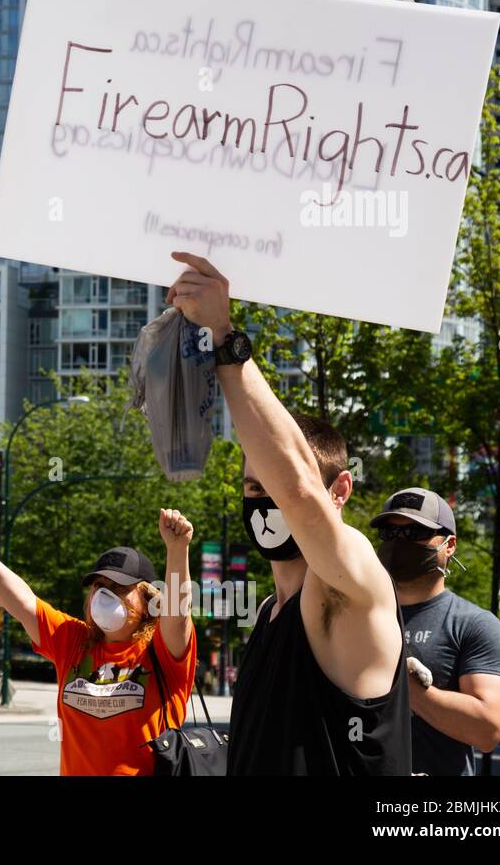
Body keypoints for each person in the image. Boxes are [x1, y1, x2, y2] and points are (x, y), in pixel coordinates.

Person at [167, 251, 411, 775]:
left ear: (340, 490)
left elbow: (299, 491)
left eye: (272, 485)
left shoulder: (353, 584)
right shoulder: (267, 613)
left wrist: (225, 338)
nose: (265, 501)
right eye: (253, 487)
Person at [0, 506, 196, 775]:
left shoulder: (160, 650)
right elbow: (21, 602)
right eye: (98, 586)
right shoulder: (74, 642)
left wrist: (177, 549)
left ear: (150, 602)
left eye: (119, 588)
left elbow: (178, 615)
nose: (104, 595)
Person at [371, 488, 500, 775]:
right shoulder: (354, 617)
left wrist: (407, 687)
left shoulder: (474, 625)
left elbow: (487, 729)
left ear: (449, 545)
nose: (400, 542)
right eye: (390, 533)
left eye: (415, 532)